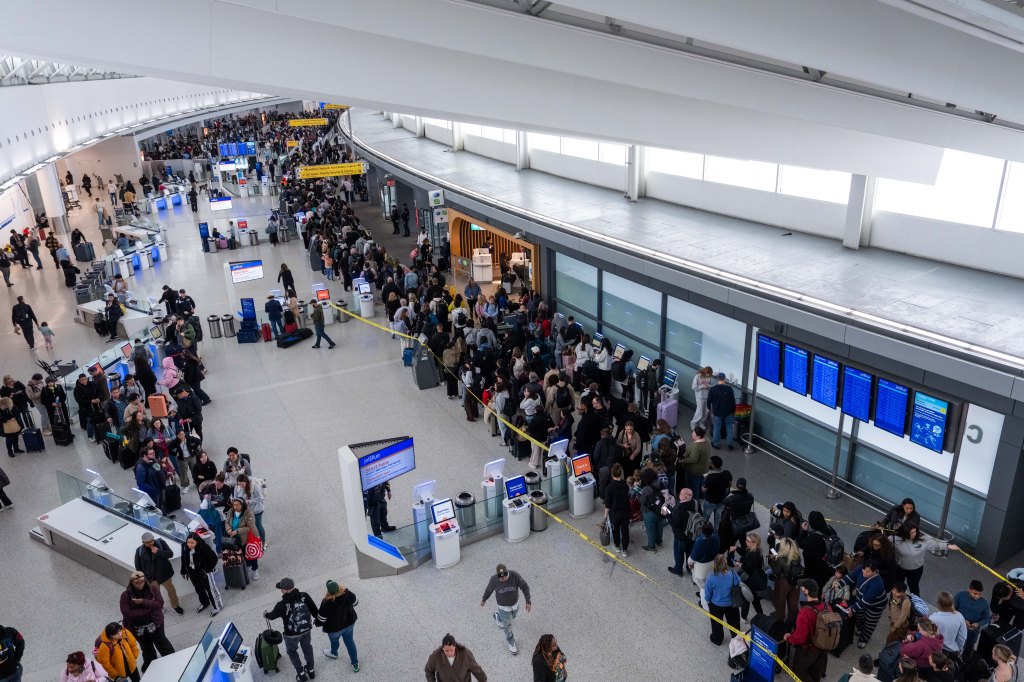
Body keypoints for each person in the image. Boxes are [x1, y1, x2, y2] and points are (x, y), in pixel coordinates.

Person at [264, 578, 320, 682]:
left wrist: (265, 614)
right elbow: (315, 612)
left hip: (291, 635)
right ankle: (311, 670)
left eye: (281, 589)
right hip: (306, 630)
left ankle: (301, 674)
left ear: (285, 590)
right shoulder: (304, 596)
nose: (281, 590)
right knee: (307, 648)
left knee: (292, 651)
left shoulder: (281, 604)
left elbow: (271, 616)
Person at [119, 571, 174, 672]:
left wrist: (143, 602)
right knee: (146, 647)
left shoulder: (152, 589)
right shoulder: (125, 595)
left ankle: (172, 660)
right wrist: (147, 609)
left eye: (142, 582)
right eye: (136, 583)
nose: (140, 585)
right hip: (137, 628)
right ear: (131, 583)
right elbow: (127, 613)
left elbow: (159, 603)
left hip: (155, 623)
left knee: (162, 642)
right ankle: (151, 665)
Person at [480, 563, 532, 655]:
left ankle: (497, 617)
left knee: (513, 617)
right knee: (508, 626)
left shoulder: (515, 575)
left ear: (507, 573)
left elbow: (525, 587)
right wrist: (484, 599)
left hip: (514, 605)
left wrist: (528, 601)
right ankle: (511, 643)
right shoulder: (494, 580)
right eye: (500, 577)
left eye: (504, 577)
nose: (502, 579)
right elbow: (488, 590)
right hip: (503, 607)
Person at [784, 579, 830, 682]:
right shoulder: (826, 606)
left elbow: (800, 637)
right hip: (823, 645)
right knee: (816, 669)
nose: (801, 589)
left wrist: (789, 638)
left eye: (802, 587)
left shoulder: (805, 612)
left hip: (809, 648)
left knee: (798, 670)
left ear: (806, 591)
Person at [893, 524, 958, 596]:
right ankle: (895, 600)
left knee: (914, 587)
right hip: (900, 568)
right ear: (905, 533)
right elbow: (885, 543)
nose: (914, 534)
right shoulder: (896, 539)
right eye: (911, 533)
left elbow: (935, 545)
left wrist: (947, 546)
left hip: (915, 570)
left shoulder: (923, 538)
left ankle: (916, 605)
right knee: (898, 586)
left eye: (915, 531)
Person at [840, 560, 888, 648]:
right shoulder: (860, 569)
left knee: (870, 622)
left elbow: (866, 601)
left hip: (876, 605)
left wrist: (852, 609)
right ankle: (860, 628)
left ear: (875, 571)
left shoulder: (877, 583)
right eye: (863, 570)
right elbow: (850, 578)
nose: (864, 573)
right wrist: (839, 584)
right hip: (861, 598)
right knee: (858, 616)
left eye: (868, 572)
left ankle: (864, 639)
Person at [134, 532, 183, 615]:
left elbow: (170, 554)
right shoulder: (139, 550)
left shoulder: (161, 543)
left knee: (171, 590)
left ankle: (175, 606)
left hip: (164, 574)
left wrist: (158, 551)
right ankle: (159, 607)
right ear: (143, 542)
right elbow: (138, 565)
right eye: (147, 542)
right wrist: (143, 577)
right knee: (155, 595)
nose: (150, 543)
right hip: (151, 578)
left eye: (151, 541)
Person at [318, 580, 359, 673]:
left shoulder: (326, 602)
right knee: (350, 643)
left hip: (334, 629)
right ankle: (355, 663)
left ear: (328, 591)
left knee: (334, 642)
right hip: (349, 624)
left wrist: (315, 623)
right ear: (339, 587)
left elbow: (321, 619)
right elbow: (356, 602)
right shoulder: (347, 594)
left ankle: (334, 653)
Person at [180, 532, 222, 616]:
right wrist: (183, 570)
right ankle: (205, 603)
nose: (190, 545)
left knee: (211, 589)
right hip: (192, 572)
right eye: (188, 542)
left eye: (192, 543)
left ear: (197, 542)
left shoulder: (204, 548)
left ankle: (218, 606)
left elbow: (214, 559)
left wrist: (206, 569)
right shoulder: (184, 546)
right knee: (199, 589)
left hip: (204, 572)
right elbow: (183, 558)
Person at [733, 531, 768, 619]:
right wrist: (737, 548)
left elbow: (747, 568)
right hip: (757, 579)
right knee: (755, 600)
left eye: (748, 541)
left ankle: (744, 617)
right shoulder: (758, 551)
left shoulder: (752, 555)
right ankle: (761, 615)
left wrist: (739, 564)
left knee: (746, 600)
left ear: (754, 543)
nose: (746, 542)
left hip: (751, 581)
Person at [770, 537, 804, 625]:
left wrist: (774, 561)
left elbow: (776, 572)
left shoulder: (781, 559)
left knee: (780, 603)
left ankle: (779, 623)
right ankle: (793, 623)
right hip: (795, 582)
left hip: (783, 582)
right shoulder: (797, 556)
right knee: (793, 604)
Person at [224, 498, 260, 580]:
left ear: (242, 505)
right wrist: (229, 529)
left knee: (251, 555)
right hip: (235, 538)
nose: (235, 507)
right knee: (243, 554)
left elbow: (250, 528)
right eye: (234, 505)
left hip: (247, 538)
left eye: (237, 505)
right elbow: (227, 521)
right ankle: (248, 566)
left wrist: (237, 531)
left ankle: (255, 570)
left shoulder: (248, 513)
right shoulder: (231, 511)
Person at [954, 580, 991, 653]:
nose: (977, 596)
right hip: (958, 625)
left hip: (973, 630)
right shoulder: (960, 595)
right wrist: (963, 620)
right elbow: (952, 609)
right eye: (975, 593)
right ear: (969, 590)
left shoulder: (984, 603)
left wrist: (978, 624)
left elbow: (987, 618)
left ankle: (966, 660)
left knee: (969, 647)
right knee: (956, 644)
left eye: (980, 594)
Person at [603, 463, 631, 557]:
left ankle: (617, 545)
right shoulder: (626, 485)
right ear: (621, 473)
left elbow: (608, 504)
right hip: (626, 511)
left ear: (612, 474)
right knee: (625, 530)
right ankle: (625, 550)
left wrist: (605, 515)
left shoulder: (610, 488)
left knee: (615, 530)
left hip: (615, 513)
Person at [689, 522, 720, 604]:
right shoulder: (716, 538)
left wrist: (690, 564)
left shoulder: (699, 542)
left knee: (703, 588)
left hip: (701, 569)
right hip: (713, 564)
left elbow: (692, 558)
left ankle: (704, 603)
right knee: (709, 583)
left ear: (702, 531)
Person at [930, 591, 968, 656]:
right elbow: (962, 637)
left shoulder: (933, 618)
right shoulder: (959, 616)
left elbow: (930, 636)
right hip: (953, 650)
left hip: (938, 651)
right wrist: (959, 648)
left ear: (939, 603)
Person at [639, 467, 666, 552]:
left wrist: (639, 495)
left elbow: (642, 501)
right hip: (662, 509)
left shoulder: (647, 489)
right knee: (659, 526)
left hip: (649, 512)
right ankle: (659, 542)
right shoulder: (661, 484)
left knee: (650, 530)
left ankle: (651, 547)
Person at [680, 425, 710, 500]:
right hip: (703, 468)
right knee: (700, 482)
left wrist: (683, 460)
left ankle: (694, 500)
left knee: (693, 487)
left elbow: (693, 459)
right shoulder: (706, 440)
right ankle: (701, 497)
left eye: (694, 433)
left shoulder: (696, 446)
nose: (692, 433)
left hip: (694, 471)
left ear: (698, 436)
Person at [691, 366, 713, 430]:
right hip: (699, 397)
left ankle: (701, 422)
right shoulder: (697, 376)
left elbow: (711, 385)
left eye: (709, 374)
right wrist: (702, 386)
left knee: (705, 411)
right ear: (705, 371)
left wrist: (709, 386)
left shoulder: (709, 377)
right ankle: (693, 423)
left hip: (707, 396)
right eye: (707, 373)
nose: (708, 375)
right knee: (699, 411)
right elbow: (694, 387)